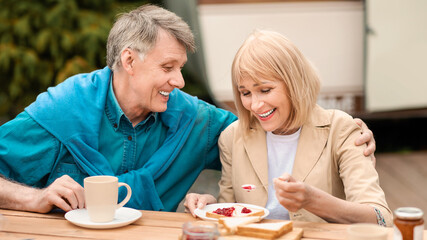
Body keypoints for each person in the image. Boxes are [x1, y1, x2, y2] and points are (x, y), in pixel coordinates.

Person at [0, 5, 375, 214]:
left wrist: (342, 128)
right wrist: (31, 197)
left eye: (181, 67)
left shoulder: (195, 119)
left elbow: (269, 121)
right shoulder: (62, 110)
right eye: (168, 68)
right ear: (128, 60)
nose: (180, 81)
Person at [184, 30, 392, 226]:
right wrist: (210, 206)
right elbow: (232, 212)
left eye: (265, 90)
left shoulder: (341, 130)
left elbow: (380, 218)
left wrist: (313, 201)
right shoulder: (232, 137)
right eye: (245, 93)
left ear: (295, 83)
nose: (255, 105)